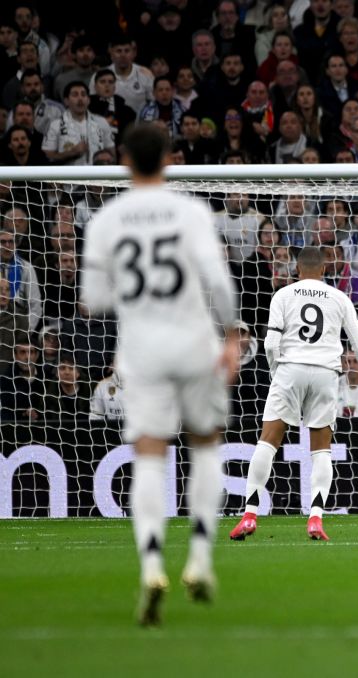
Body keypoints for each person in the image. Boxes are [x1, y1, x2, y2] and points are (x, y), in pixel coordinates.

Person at [79, 123, 240, 625]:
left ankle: (151, 564)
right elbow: (217, 280)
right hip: (195, 345)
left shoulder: (107, 219)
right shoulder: (190, 211)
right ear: (169, 159)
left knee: (149, 452)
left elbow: (94, 300)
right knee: (206, 445)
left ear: (125, 159)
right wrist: (233, 334)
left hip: (142, 352)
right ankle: (199, 557)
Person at [230, 246, 358, 542]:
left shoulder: (283, 295)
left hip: (290, 369)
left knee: (268, 441)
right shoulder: (339, 298)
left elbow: (271, 344)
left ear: (296, 270)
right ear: (324, 270)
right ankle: (315, 518)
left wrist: (277, 373)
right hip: (326, 373)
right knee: (321, 449)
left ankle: (249, 513)